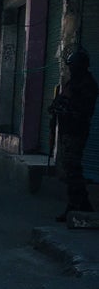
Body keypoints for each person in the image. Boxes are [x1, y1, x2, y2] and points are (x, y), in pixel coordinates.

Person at [49, 48, 98, 222]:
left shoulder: (87, 85)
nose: (71, 70)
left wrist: (67, 110)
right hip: (67, 130)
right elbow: (60, 100)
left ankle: (80, 204)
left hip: (76, 131)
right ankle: (77, 203)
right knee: (70, 169)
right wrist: (56, 107)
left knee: (73, 169)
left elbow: (82, 110)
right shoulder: (73, 82)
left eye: (73, 66)